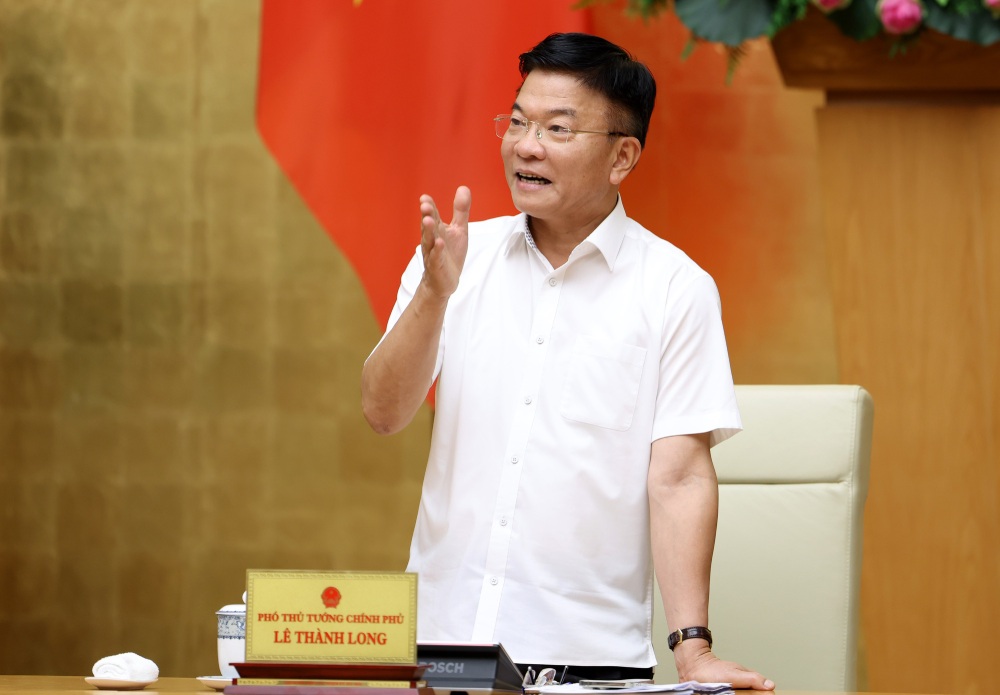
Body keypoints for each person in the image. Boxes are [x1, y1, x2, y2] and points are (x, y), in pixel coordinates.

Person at [361, 32, 773, 690]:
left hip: (591, 666)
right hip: (440, 655)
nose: (526, 146)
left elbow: (678, 479)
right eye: (517, 121)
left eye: (557, 128)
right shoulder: (455, 260)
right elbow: (382, 412)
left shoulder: (675, 288)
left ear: (622, 156)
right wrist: (434, 297)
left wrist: (693, 649)